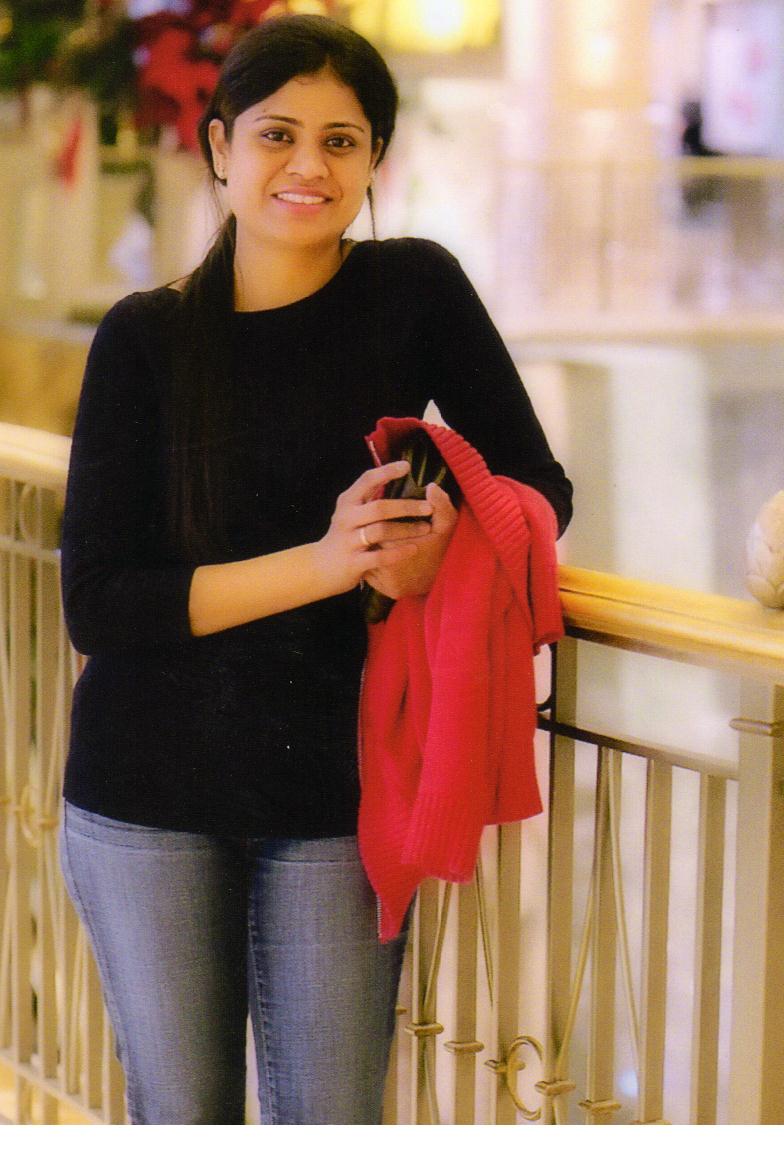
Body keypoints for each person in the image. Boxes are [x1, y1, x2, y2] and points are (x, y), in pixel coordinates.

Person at [57, 14, 573, 1126]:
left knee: (330, 1120)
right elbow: (100, 603)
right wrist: (330, 562)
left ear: (376, 157)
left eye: (342, 141)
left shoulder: (415, 290)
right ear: (219, 147)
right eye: (277, 134)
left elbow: (537, 486)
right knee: (183, 1118)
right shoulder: (145, 337)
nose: (309, 165)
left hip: (339, 792)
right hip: (146, 792)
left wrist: (441, 544)